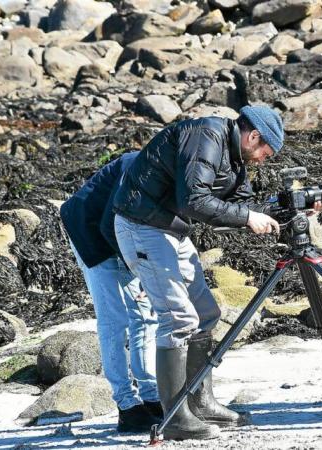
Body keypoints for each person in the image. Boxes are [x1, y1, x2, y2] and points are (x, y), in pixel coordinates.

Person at [112, 106, 286, 441]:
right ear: (254, 137)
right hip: (142, 227)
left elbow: (245, 206)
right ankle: (176, 417)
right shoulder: (206, 135)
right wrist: (248, 219)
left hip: (170, 230)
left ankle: (200, 402)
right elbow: (194, 201)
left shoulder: (234, 156)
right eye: (267, 152)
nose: (265, 159)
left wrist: (287, 209)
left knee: (206, 313)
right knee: (178, 318)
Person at [60, 151, 162, 433]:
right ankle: (127, 407)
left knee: (145, 314)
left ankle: (152, 398)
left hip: (117, 231)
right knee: (114, 319)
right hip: (87, 230)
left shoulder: (168, 172)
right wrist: (138, 273)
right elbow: (108, 226)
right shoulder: (141, 170)